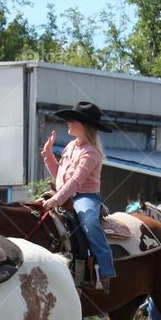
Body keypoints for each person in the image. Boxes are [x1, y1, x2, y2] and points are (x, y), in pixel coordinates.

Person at [41, 101, 116, 292]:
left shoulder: (91, 153)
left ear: (84, 124)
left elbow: (75, 182)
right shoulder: (70, 147)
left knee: (89, 223)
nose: (68, 123)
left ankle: (106, 270)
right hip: (63, 193)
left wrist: (56, 200)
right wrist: (48, 156)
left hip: (85, 196)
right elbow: (60, 175)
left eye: (72, 120)